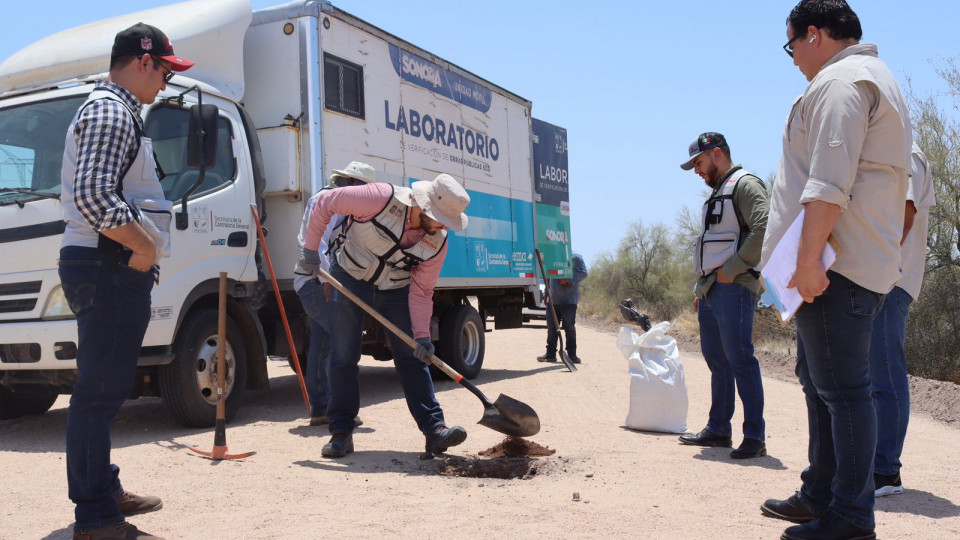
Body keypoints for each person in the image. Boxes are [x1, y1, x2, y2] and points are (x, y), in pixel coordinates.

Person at [758, 2, 912, 539]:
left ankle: (850, 518)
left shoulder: (842, 83)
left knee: (844, 392)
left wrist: (805, 265)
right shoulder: (873, 78)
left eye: (792, 45)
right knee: (822, 385)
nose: (793, 57)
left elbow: (828, 183)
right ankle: (822, 494)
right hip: (844, 264)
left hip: (830, 267)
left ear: (815, 35)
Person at [58, 23, 194, 540]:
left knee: (104, 390)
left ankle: (103, 490)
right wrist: (146, 248)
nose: (165, 84)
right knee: (98, 394)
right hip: (110, 263)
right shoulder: (113, 111)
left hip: (105, 263)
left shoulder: (111, 109)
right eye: (164, 72)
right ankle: (95, 516)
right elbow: (95, 197)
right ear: (143, 62)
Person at [302, 173, 471, 458]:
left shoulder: (437, 244)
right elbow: (324, 202)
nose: (442, 226)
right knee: (344, 355)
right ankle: (341, 432)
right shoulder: (380, 198)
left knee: (412, 355)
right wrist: (310, 250)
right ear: (423, 204)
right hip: (351, 276)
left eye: (446, 222)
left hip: (395, 288)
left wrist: (421, 336)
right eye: (439, 218)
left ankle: (434, 431)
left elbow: (421, 291)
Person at [676, 132, 769, 460]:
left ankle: (755, 437)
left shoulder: (745, 184)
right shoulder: (718, 192)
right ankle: (718, 429)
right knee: (718, 362)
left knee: (740, 359)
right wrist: (703, 287)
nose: (697, 171)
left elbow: (763, 227)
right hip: (713, 290)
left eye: (699, 163)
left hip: (735, 287)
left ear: (716, 154)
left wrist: (735, 267)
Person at [869, 143, 936, 497]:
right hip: (878, 279)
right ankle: (874, 466)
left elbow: (904, 214)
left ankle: (885, 471)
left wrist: (877, 267)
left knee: (885, 377)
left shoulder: (905, 151)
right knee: (871, 379)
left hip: (889, 281)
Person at [293, 161, 374, 428]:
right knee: (340, 343)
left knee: (324, 344)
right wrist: (330, 282)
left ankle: (321, 408)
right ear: (352, 184)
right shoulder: (327, 201)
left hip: (315, 281)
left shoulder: (341, 204)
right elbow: (317, 242)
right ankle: (336, 407)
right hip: (318, 282)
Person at [536, 253, 588, 364]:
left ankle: (572, 356)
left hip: (569, 301)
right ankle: (550, 354)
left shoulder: (576, 257)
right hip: (552, 301)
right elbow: (548, 276)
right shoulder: (553, 256)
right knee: (551, 328)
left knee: (569, 328)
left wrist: (569, 279)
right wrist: (546, 294)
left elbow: (584, 273)